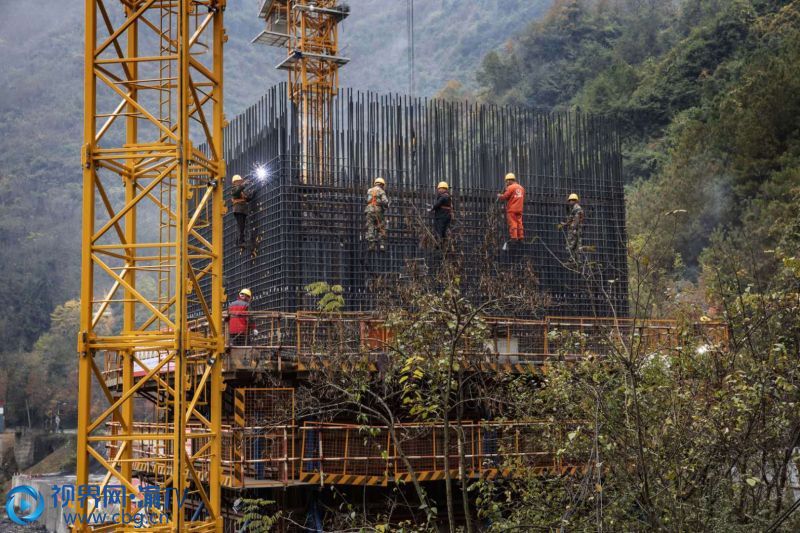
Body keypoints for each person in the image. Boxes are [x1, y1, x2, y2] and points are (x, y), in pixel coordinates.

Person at [497, 173, 525, 248]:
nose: (506, 183)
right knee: (519, 223)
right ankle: (521, 238)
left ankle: (514, 238)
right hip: (519, 209)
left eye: (506, 181)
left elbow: (505, 196)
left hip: (512, 209)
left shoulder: (510, 188)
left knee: (513, 224)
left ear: (509, 180)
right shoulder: (521, 188)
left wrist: (500, 196)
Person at [365, 177, 390, 252]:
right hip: (378, 211)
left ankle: (371, 245)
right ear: (382, 185)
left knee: (370, 227)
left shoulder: (369, 190)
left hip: (369, 210)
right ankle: (382, 245)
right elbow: (385, 201)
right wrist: (386, 205)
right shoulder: (381, 191)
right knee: (381, 227)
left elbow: (367, 200)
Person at [230, 174, 252, 245]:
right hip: (238, 210)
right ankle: (240, 242)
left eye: (240, 181)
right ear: (235, 182)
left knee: (242, 226)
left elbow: (247, 199)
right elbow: (237, 191)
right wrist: (244, 184)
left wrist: (254, 192)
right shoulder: (234, 190)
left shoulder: (242, 191)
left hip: (243, 210)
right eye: (239, 181)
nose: (240, 182)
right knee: (241, 226)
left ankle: (240, 241)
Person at [563, 193, 584, 260]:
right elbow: (571, 219)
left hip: (575, 230)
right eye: (569, 200)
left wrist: (573, 229)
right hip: (575, 229)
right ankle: (575, 260)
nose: (570, 202)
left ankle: (573, 260)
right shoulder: (574, 209)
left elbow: (576, 220)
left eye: (571, 200)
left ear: (575, 201)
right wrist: (565, 224)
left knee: (572, 244)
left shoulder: (577, 209)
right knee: (576, 245)